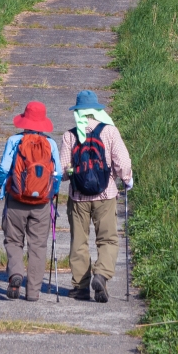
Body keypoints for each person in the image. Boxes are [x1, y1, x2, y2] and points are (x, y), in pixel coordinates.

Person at [58, 89, 133, 303]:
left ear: (78, 111)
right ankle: (101, 274)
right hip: (105, 194)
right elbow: (122, 163)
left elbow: (62, 171)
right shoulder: (110, 131)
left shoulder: (70, 135)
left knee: (79, 241)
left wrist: (70, 175)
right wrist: (127, 179)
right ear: (96, 110)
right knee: (108, 238)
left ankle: (80, 287)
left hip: (78, 197)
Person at [0, 100, 64, 300]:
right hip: (42, 203)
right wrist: (52, 193)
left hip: (16, 199)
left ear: (24, 120)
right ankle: (33, 292)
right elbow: (58, 174)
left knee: (13, 240)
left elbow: (4, 169)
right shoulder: (50, 143)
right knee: (38, 246)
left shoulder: (14, 141)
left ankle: (16, 274)